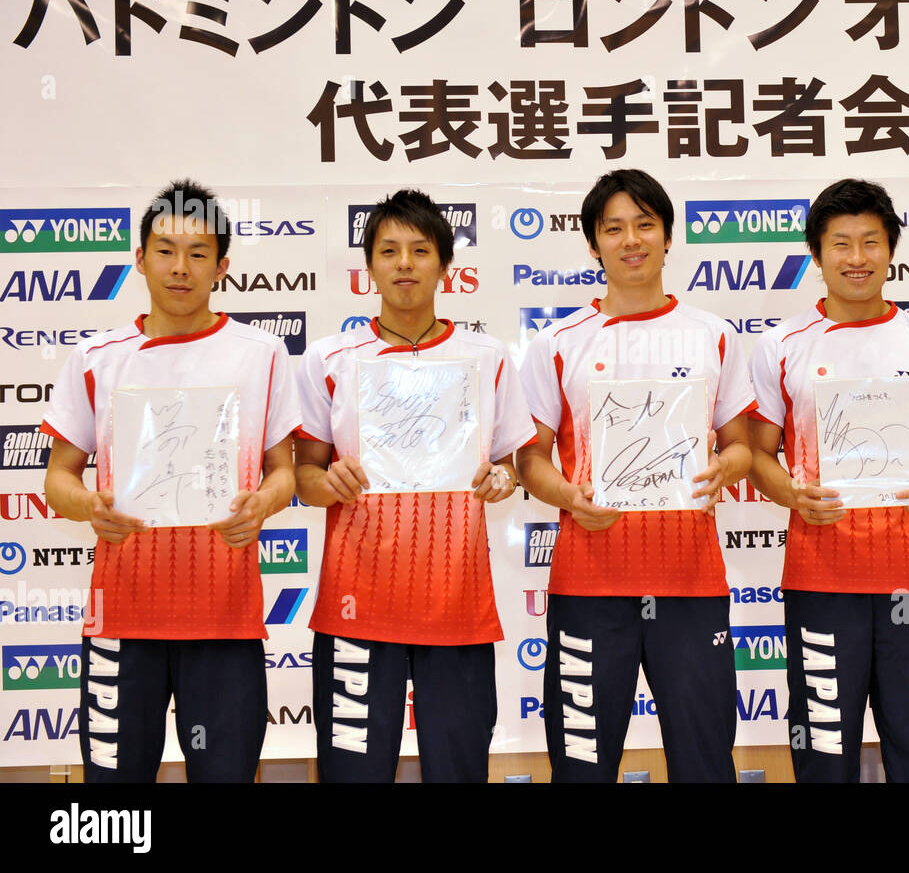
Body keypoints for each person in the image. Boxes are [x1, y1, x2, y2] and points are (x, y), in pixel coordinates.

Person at [42, 179, 300, 782]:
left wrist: (261, 503)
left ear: (223, 265)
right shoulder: (97, 357)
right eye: (165, 250)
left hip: (224, 618)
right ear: (139, 258)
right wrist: (89, 504)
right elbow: (58, 477)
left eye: (198, 252)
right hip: (122, 618)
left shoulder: (260, 353)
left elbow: (284, 471)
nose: (180, 267)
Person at [516, 168, 755, 783]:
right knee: (582, 764)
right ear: (593, 244)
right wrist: (568, 495)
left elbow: (741, 449)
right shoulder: (557, 343)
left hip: (690, 583)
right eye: (613, 228)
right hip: (589, 584)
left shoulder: (714, 335)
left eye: (645, 225)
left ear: (668, 237)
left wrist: (725, 467)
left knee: (704, 761)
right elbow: (530, 461)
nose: (631, 240)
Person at [295, 189, 535, 782]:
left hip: (456, 604)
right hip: (357, 605)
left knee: (458, 771)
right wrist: (332, 481)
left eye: (420, 250)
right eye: (390, 250)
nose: (404, 263)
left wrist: (500, 480)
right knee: (353, 775)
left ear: (444, 266)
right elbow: (302, 478)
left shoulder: (487, 357)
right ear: (369, 267)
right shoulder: (329, 357)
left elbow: (513, 467)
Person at [747, 178, 909, 783]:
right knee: (824, 755)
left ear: (891, 250)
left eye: (870, 243)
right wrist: (791, 494)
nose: (856, 259)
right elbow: (758, 456)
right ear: (816, 254)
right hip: (821, 578)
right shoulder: (780, 345)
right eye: (841, 244)